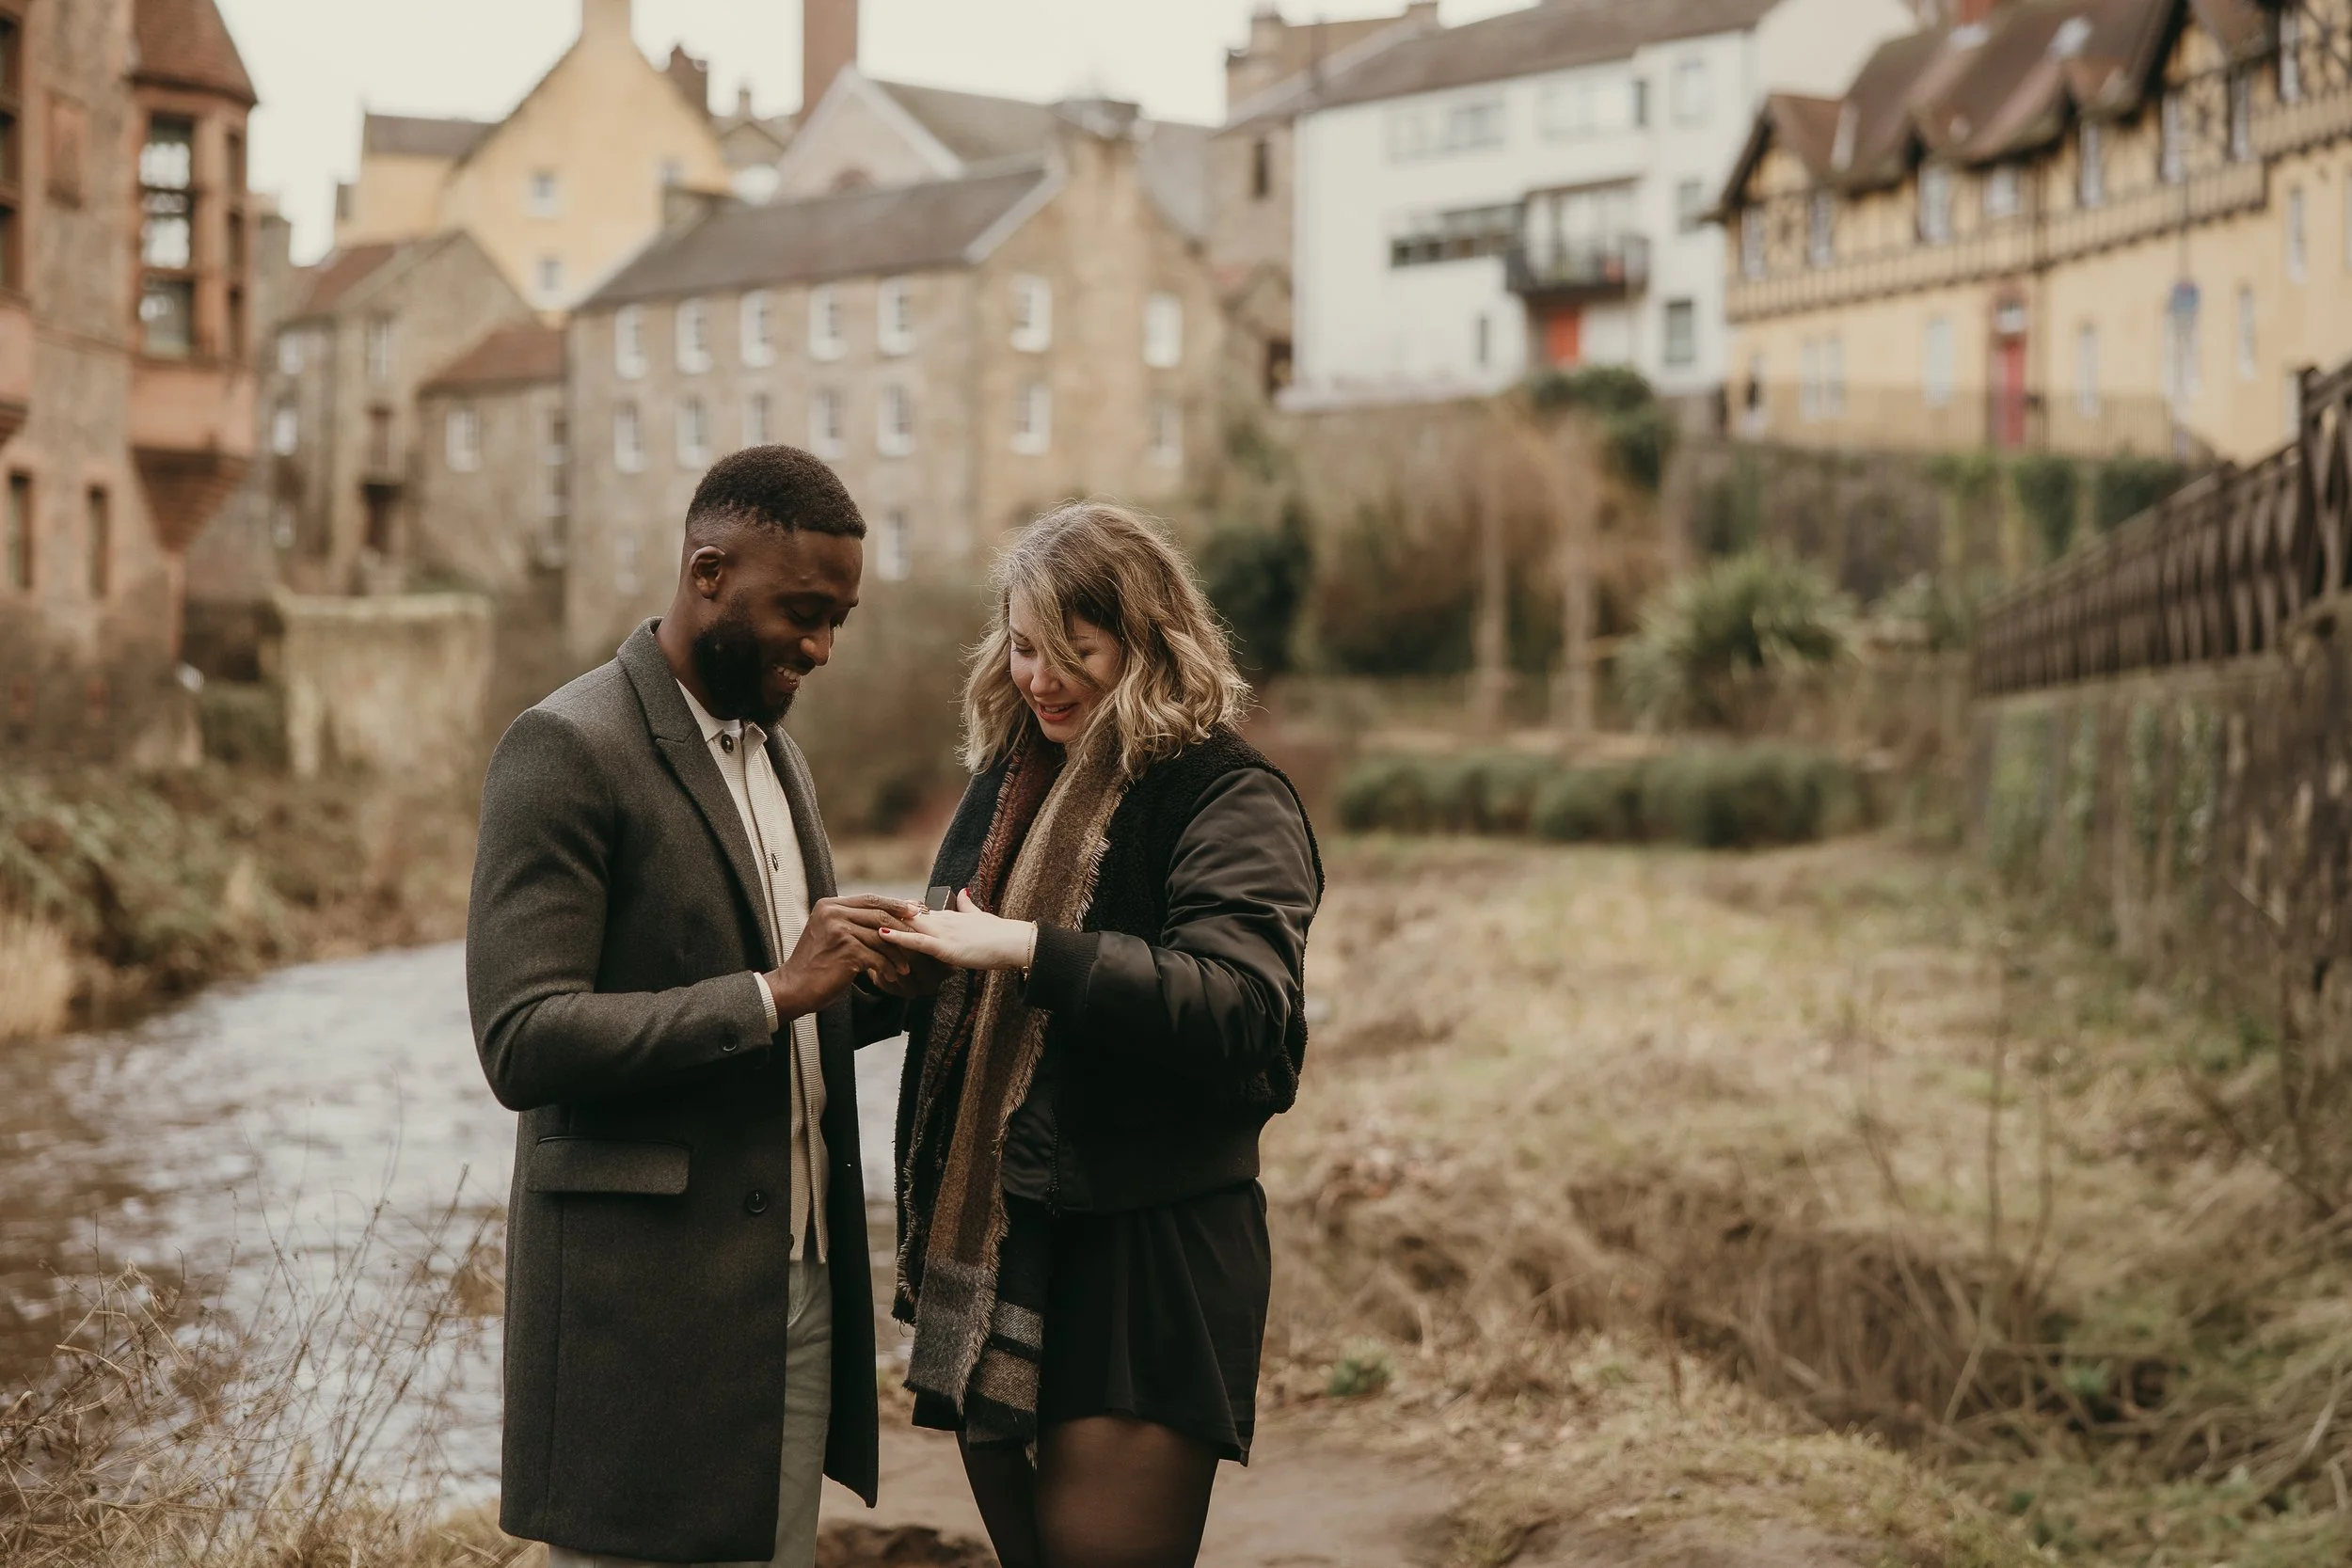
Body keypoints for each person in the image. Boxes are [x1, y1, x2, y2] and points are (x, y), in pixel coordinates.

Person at [466, 446, 933, 1568]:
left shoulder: (781, 755)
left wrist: (882, 989)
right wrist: (775, 990)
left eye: (839, 621)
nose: (821, 648)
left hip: (800, 1285)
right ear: (708, 572)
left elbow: (780, 1022)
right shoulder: (564, 747)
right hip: (642, 1314)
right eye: (802, 613)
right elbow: (524, 1039)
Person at [881, 500, 1324, 1568]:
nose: (1041, 677)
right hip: (1010, 1245)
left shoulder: (1228, 795)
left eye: (1075, 648)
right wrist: (857, 973)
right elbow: (967, 992)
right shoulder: (1010, 784)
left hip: (1149, 1257)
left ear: (1149, 640)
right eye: (1023, 646)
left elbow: (1244, 1006)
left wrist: (1031, 948)